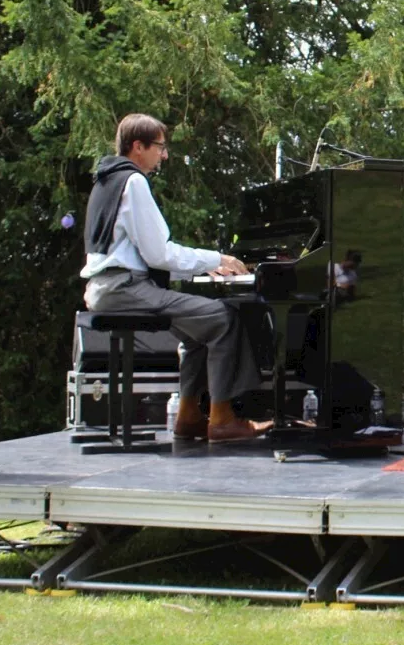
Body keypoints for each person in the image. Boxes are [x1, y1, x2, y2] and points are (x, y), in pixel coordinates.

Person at [80, 114, 270, 443]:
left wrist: (202, 267)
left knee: (197, 330)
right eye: (160, 148)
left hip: (107, 288)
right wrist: (217, 259)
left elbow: (144, 252)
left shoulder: (105, 180)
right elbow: (159, 254)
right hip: (125, 288)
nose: (164, 156)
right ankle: (222, 420)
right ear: (137, 146)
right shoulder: (133, 182)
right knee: (223, 319)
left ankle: (188, 417)